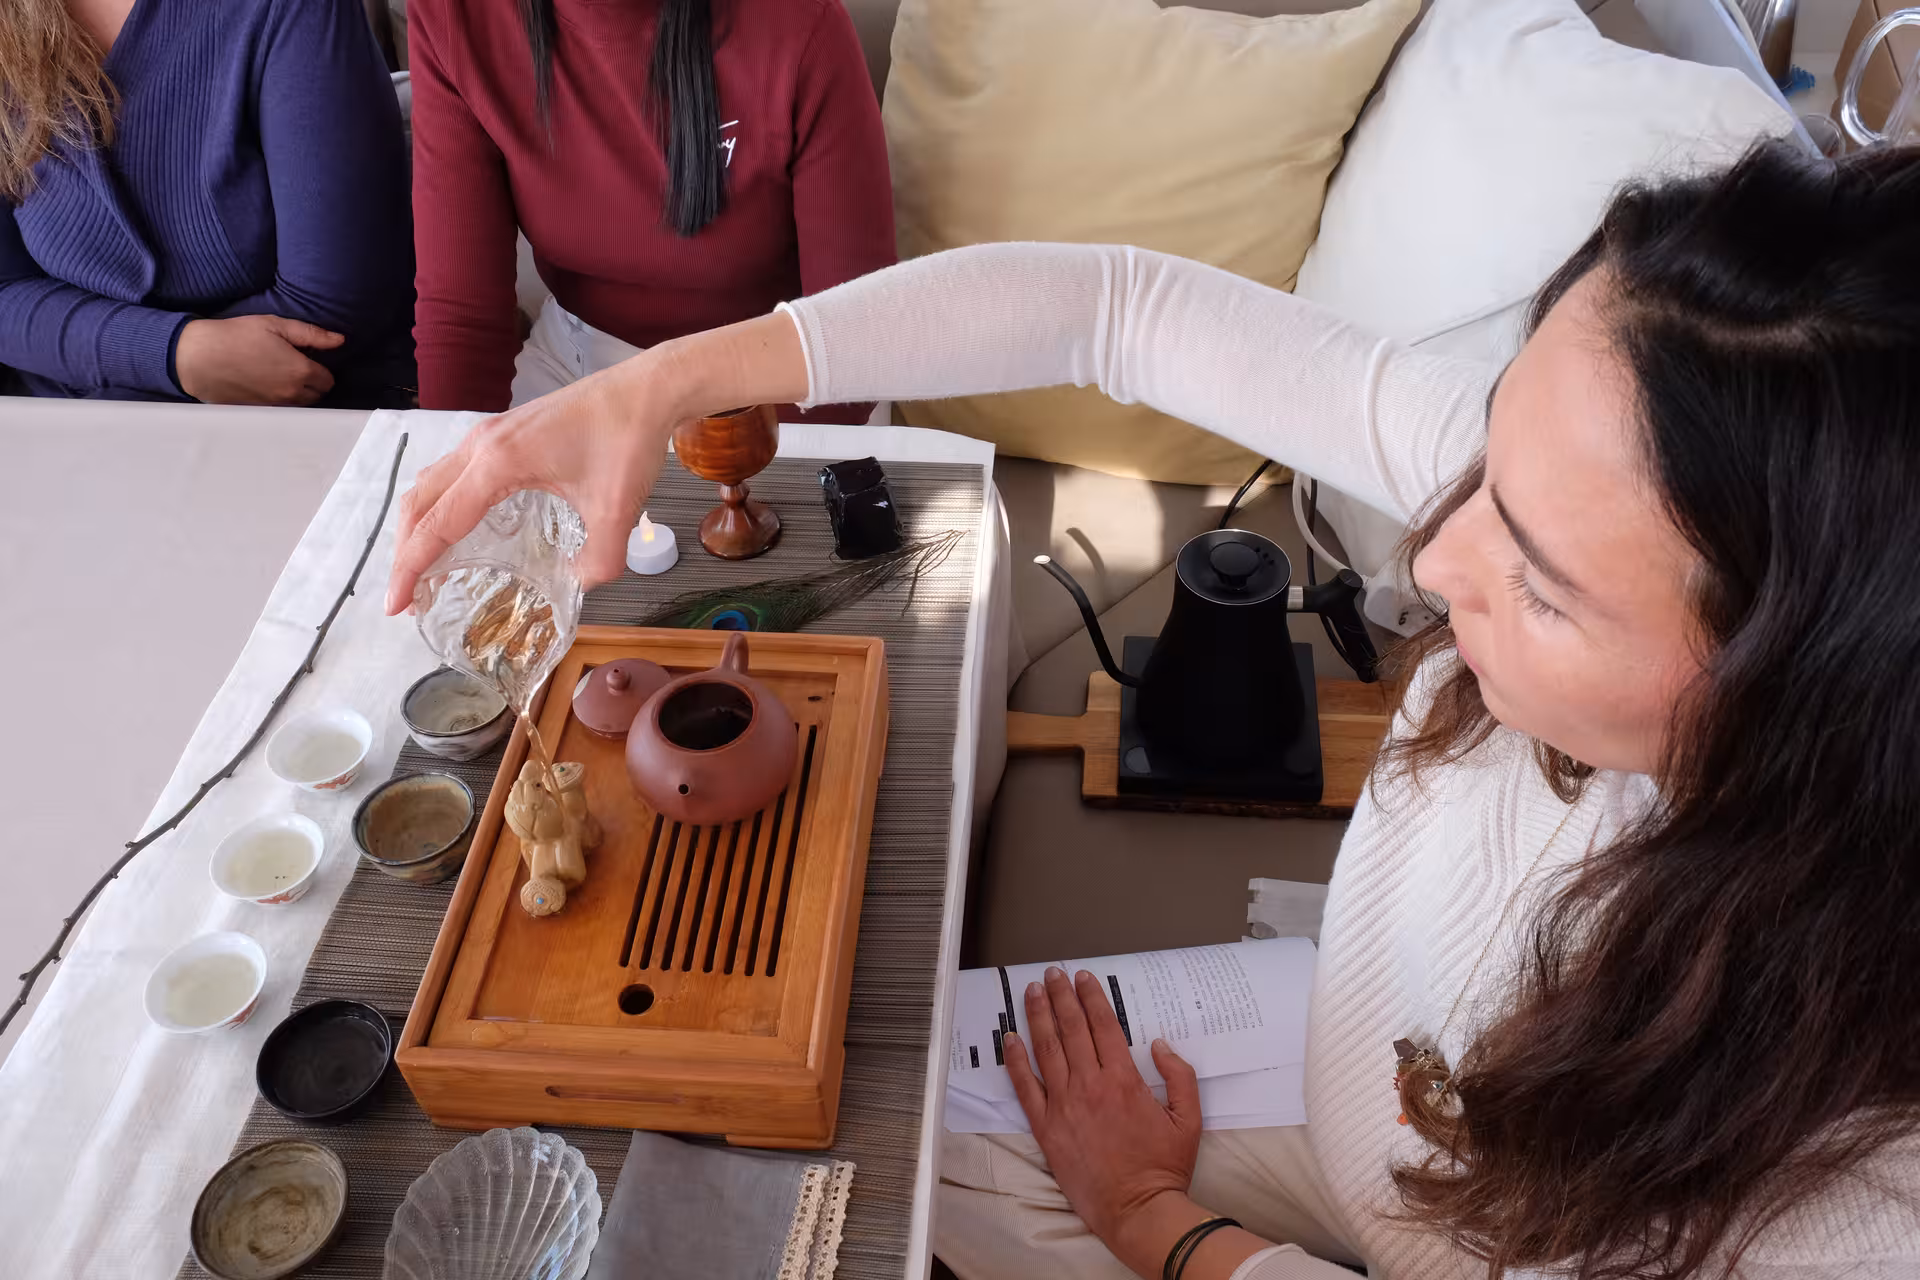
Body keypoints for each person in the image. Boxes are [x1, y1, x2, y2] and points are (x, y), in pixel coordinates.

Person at [387, 141, 1920, 1279]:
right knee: (837, 1117)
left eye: (1540, 584)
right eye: (1486, 472)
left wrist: (1153, 1221)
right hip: (1358, 1062)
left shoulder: (1861, 1191)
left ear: (1805, 693)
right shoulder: (1627, 469)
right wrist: (681, 379)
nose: (1436, 562)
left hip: (1416, 1228)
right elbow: (1111, 306)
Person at [407, 0, 893, 420]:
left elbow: (853, 345)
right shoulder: (454, 17)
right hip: (571, 367)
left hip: (779, 388)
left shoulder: (803, 27)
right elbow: (461, 324)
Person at [0, 0, 415, 407]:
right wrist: (170, 354)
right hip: (50, 434)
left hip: (300, 425)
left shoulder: (291, 10)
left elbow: (334, 302)